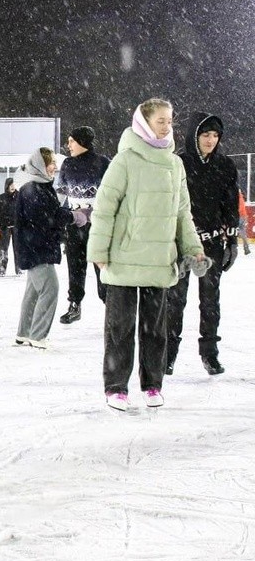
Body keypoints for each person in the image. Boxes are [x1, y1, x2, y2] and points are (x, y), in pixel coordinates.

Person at [88, 98, 204, 411]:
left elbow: (183, 213)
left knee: (155, 328)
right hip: (123, 257)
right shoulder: (124, 161)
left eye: (169, 121)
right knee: (120, 328)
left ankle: (152, 385)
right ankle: (116, 388)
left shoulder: (174, 164)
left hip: (159, 259)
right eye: (161, 121)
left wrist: (194, 248)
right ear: (144, 123)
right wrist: (98, 251)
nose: (167, 126)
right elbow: (104, 208)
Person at [165, 112, 240, 377]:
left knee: (210, 301)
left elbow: (230, 205)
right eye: (205, 134)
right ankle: (168, 354)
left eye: (215, 135)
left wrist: (231, 240)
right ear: (194, 135)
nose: (210, 140)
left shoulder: (225, 166)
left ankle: (209, 354)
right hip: (182, 244)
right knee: (175, 300)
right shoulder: (178, 163)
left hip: (211, 244)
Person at [13, 149, 78, 349]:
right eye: (51, 163)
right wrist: (74, 216)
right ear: (40, 165)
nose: (55, 167)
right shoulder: (34, 189)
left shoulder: (37, 186)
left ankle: (24, 333)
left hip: (35, 248)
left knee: (33, 292)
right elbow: (48, 218)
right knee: (50, 289)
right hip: (37, 249)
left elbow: (49, 214)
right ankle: (38, 336)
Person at [54, 126, 111, 325]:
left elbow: (113, 193)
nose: (68, 145)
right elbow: (60, 193)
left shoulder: (103, 163)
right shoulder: (67, 164)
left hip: (98, 224)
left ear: (82, 142)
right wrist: (54, 212)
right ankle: (74, 304)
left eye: (71, 141)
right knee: (74, 265)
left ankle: (110, 306)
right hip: (74, 223)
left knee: (101, 266)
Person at [0, 177, 19, 275]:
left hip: (17, 228)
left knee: (19, 249)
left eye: (14, 184)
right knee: (2, 249)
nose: (12, 187)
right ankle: (0, 269)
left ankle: (20, 268)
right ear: (6, 186)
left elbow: (26, 212)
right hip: (5, 228)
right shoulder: (1, 198)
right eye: (10, 185)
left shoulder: (20, 197)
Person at [238, 190, 251, 256]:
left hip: (239, 216)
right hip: (243, 216)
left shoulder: (237, 196)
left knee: (233, 231)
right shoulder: (241, 196)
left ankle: (232, 247)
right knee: (243, 233)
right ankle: (246, 248)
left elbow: (239, 208)